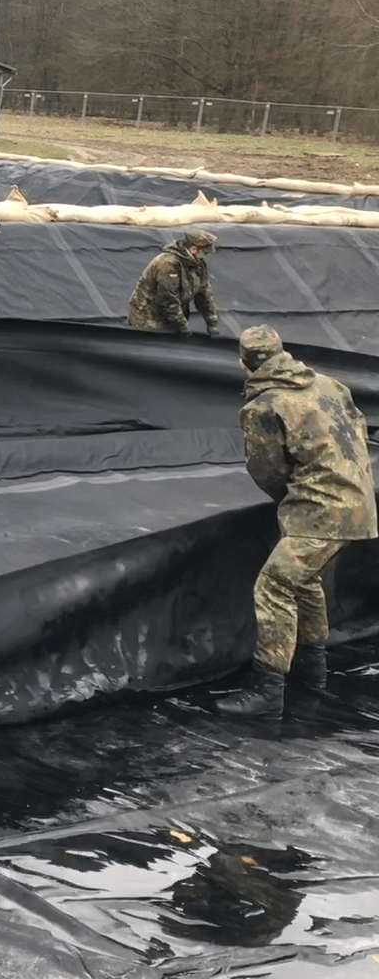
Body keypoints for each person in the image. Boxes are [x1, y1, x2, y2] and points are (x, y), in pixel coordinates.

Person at [217, 326, 378, 717]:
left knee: (274, 586)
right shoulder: (329, 384)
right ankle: (312, 675)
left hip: (321, 509)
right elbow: (359, 431)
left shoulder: (262, 407)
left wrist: (291, 497)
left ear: (243, 363)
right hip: (359, 499)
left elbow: (266, 469)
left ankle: (268, 688)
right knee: (304, 581)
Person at [127, 228, 222, 335]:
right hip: (149, 317)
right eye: (205, 252)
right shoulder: (167, 264)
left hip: (172, 315)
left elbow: (204, 293)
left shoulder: (197, 264)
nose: (206, 255)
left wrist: (212, 322)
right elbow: (168, 298)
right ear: (193, 249)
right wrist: (182, 326)